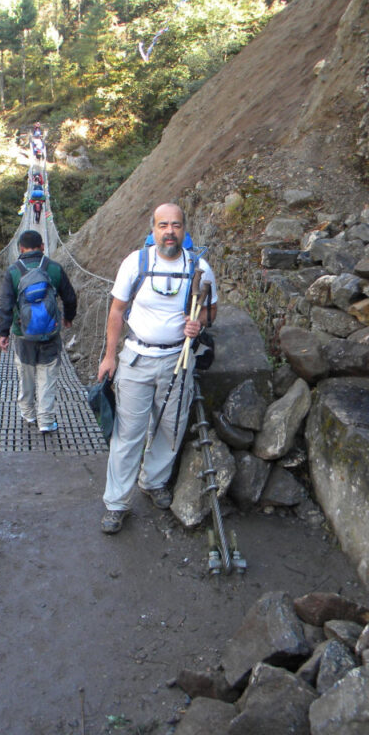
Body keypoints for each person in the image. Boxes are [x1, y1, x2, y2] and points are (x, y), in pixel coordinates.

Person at [95, 203, 217, 534]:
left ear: (184, 229)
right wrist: (109, 356)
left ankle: (154, 480)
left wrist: (198, 323)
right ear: (153, 230)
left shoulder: (199, 268)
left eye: (176, 225)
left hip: (178, 360)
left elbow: (210, 313)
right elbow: (117, 311)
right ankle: (117, 503)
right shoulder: (135, 264)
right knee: (129, 433)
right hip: (135, 359)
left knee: (171, 428)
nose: (169, 231)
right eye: (163, 225)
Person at [0, 230, 78, 433]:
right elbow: (70, 298)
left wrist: (3, 333)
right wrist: (68, 318)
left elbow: (5, 305)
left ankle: (28, 413)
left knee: (26, 376)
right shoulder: (54, 268)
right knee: (47, 377)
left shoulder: (13, 271)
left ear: (20, 249)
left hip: (23, 334)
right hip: (50, 334)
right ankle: (46, 420)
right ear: (43, 247)